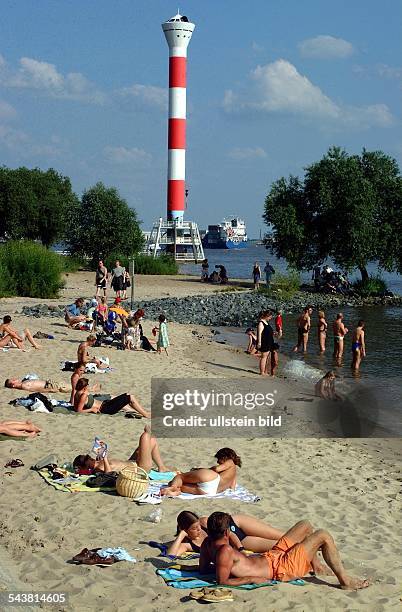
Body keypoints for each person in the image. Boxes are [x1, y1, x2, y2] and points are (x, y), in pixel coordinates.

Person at [200, 514, 369, 590]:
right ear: (227, 533)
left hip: (272, 556)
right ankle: (345, 580)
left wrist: (236, 565)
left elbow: (203, 569)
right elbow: (221, 582)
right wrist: (251, 578)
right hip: (280, 568)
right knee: (323, 535)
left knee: (305, 525)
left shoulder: (207, 544)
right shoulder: (225, 551)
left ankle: (315, 565)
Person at [167, 511, 284, 557]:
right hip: (242, 540)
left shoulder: (203, 522)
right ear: (185, 530)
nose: (199, 529)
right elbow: (170, 555)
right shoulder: (188, 544)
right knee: (282, 544)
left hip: (236, 523)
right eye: (194, 529)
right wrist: (181, 535)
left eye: (198, 526)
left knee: (282, 535)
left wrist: (241, 549)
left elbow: (225, 527)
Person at [73, 426, 170, 474]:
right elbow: (109, 474)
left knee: (151, 441)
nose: (90, 457)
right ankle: (148, 433)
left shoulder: (98, 462)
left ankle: (161, 467)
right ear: (87, 466)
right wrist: (105, 458)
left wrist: (101, 451)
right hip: (140, 469)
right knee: (145, 436)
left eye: (88, 456)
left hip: (131, 462)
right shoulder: (98, 469)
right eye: (87, 458)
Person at [161, 447, 240, 497]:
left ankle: (172, 488)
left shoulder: (230, 461)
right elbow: (232, 488)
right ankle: (175, 492)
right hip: (212, 491)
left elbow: (217, 469)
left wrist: (203, 469)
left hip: (213, 478)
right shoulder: (234, 473)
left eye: (219, 459)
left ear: (225, 456)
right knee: (181, 487)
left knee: (179, 477)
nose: (218, 462)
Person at [73, 378, 150, 417]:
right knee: (130, 397)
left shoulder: (78, 393)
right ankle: (146, 414)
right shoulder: (83, 395)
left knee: (127, 395)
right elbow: (79, 410)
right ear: (84, 387)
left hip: (106, 404)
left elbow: (76, 406)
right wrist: (92, 409)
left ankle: (141, 412)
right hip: (106, 408)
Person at [256, 310, 274, 376]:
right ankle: (262, 372)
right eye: (270, 317)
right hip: (264, 342)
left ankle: (264, 371)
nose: (270, 318)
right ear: (267, 316)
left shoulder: (266, 322)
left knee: (266, 357)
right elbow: (259, 333)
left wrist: (274, 333)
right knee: (264, 357)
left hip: (269, 341)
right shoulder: (261, 323)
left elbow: (267, 331)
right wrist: (259, 343)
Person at [5, 377, 69, 394]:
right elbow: (37, 389)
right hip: (53, 386)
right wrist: (50, 390)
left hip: (51, 384)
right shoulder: (24, 385)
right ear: (13, 385)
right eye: (13, 380)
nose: (15, 379)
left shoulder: (23, 383)